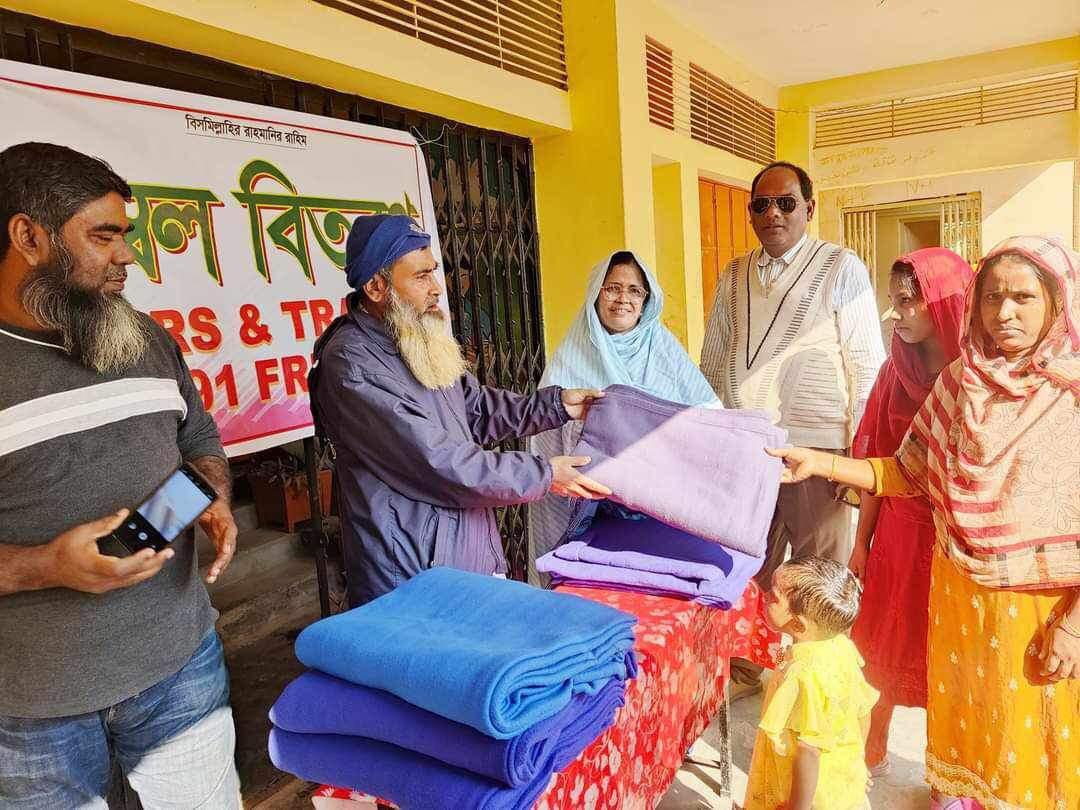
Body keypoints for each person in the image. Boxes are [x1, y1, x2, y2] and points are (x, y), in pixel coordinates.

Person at [769, 235, 1080, 809]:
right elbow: (907, 470)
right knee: (973, 737)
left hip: (1041, 612)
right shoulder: (961, 383)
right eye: (992, 297)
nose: (1004, 313)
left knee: (1040, 751)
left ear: (1057, 302)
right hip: (959, 598)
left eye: (1023, 297)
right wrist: (822, 462)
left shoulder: (1072, 395)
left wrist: (1073, 627)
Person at [0, 143, 241, 807]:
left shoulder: (142, 335)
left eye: (125, 236)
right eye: (103, 236)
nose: (127, 256)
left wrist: (212, 497)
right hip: (29, 711)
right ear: (28, 237)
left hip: (182, 665)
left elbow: (197, 437)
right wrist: (45, 566)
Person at [309, 214, 610, 607]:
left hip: (461, 550)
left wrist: (556, 406)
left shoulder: (415, 338)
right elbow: (436, 461)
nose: (437, 288)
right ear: (377, 287)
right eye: (421, 277)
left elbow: (477, 410)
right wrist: (544, 473)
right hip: (411, 572)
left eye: (433, 272)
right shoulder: (351, 366)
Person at [700, 160, 885, 686]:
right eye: (762, 204)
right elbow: (712, 361)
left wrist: (857, 461)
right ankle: (746, 666)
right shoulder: (734, 275)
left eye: (786, 203)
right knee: (746, 562)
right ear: (750, 212)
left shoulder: (841, 267)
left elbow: (866, 365)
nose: (774, 214)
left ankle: (817, 684)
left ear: (809, 207)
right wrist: (715, 438)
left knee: (817, 574)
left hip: (820, 452)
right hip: (749, 449)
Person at [847, 249, 973, 776]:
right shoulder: (892, 374)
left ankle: (948, 770)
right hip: (899, 534)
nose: (894, 314)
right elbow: (878, 464)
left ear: (943, 302)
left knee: (950, 652)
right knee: (881, 642)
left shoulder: (979, 378)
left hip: (959, 539)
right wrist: (861, 544)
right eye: (892, 301)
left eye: (906, 301)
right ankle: (870, 743)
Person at [526, 250, 719, 580]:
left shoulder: (665, 352)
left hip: (656, 509)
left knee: (649, 586)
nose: (623, 299)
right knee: (588, 589)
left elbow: (708, 417)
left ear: (646, 300)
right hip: (588, 505)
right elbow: (544, 432)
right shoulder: (572, 354)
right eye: (612, 288)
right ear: (596, 293)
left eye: (634, 291)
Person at [744, 556, 879, 810]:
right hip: (840, 780)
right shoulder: (841, 646)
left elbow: (808, 752)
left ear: (798, 623)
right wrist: (857, 761)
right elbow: (863, 710)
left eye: (774, 596)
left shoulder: (803, 675)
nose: (765, 596)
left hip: (812, 796)